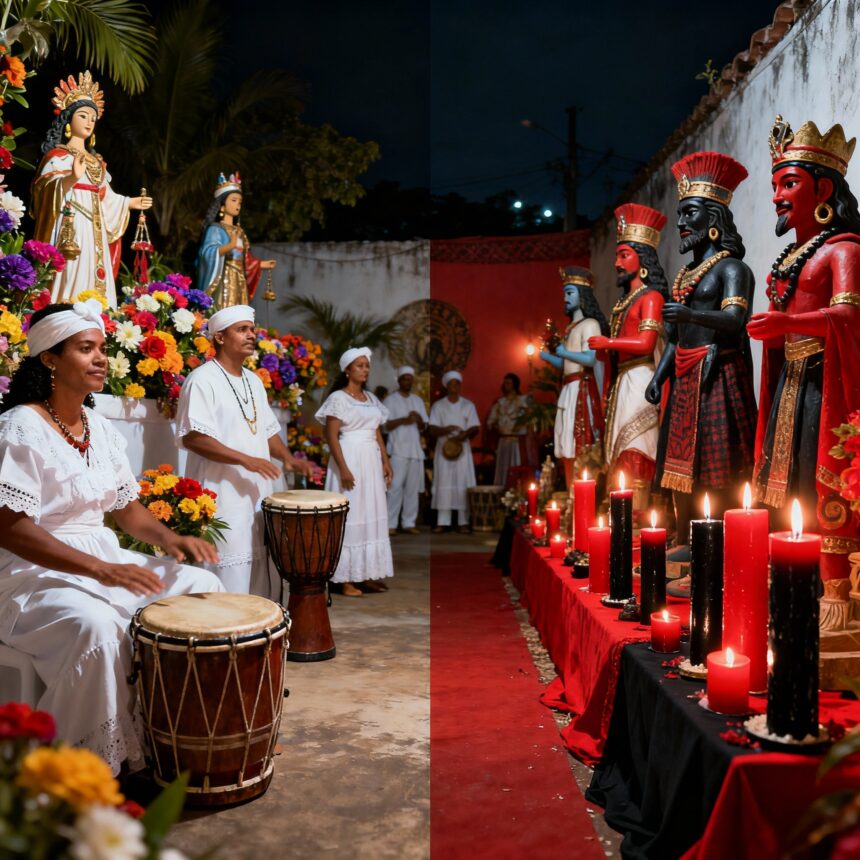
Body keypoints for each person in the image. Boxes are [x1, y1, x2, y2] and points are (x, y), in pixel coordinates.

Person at [0, 300, 223, 775]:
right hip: (28, 574)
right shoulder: (20, 427)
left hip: (102, 554)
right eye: (87, 348)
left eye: (103, 348)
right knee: (98, 628)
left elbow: (125, 510)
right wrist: (101, 569)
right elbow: (12, 529)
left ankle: (189, 733)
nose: (101, 357)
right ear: (50, 359)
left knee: (205, 592)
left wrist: (169, 539)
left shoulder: (99, 427)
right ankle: (85, 771)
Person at [748, 116, 860, 584]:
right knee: (784, 478)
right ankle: (787, 573)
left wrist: (787, 322)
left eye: (788, 183)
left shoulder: (844, 249)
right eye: (775, 185)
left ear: (823, 191)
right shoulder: (794, 257)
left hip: (821, 382)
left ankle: (827, 583)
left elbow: (849, 317)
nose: (777, 195)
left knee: (814, 481)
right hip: (790, 385)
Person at [645, 151, 758, 557]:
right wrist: (659, 378)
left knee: (717, 462)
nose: (681, 223)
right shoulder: (685, 274)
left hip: (717, 373)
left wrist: (691, 312)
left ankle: (719, 538)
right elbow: (675, 337)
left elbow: (735, 319)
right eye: (679, 214)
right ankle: (687, 538)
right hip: (685, 374)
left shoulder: (733, 270)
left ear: (713, 220)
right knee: (678, 465)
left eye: (689, 213)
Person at [176, 305, 315, 596]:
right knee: (227, 569)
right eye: (242, 330)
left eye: (251, 329)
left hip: (256, 491)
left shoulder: (254, 381)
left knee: (260, 568)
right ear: (220, 338)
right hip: (220, 492)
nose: (251, 335)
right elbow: (193, 438)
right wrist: (245, 460)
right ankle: (223, 634)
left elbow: (267, 432)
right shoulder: (202, 380)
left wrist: (290, 460)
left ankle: (256, 636)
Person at [31, 71, 152, 308]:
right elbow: (43, 190)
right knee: (70, 274)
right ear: (68, 120)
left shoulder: (97, 162)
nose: (88, 122)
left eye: (92, 118)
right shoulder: (58, 156)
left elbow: (105, 195)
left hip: (94, 229)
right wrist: (69, 179)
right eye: (83, 115)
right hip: (71, 227)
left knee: (94, 274)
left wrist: (129, 202)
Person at [588, 204, 667, 510]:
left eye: (624, 255)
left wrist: (609, 341)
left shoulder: (651, 297)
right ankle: (620, 508)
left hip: (641, 378)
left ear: (642, 259)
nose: (617, 263)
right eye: (617, 255)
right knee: (619, 445)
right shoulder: (625, 302)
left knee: (636, 442)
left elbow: (647, 343)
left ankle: (638, 511)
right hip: (624, 380)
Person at [316, 347, 394, 596]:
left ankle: (365, 574)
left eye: (366, 365)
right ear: (347, 370)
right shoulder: (339, 398)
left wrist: (385, 460)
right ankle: (343, 579)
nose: (365, 369)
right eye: (359, 365)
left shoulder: (370, 399)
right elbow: (331, 435)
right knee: (352, 514)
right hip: (350, 458)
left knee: (371, 512)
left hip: (370, 460)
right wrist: (344, 468)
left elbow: (376, 432)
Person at [539, 267, 607, 487]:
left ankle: (582, 491)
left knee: (580, 442)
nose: (565, 298)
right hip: (568, 388)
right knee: (565, 442)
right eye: (564, 293)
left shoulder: (590, 324)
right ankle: (571, 494)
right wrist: (548, 357)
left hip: (582, 388)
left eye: (569, 293)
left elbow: (589, 359)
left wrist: (563, 352)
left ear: (582, 293)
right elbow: (566, 364)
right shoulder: (570, 328)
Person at [196, 172, 276, 308]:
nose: (237, 204)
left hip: (239, 280)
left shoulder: (240, 231)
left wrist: (262, 264)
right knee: (225, 310)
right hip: (224, 278)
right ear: (222, 205)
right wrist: (229, 245)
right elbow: (206, 253)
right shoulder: (216, 229)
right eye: (233, 200)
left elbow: (246, 259)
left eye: (239, 201)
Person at [428, 370, 480, 533]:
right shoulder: (439, 406)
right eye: (451, 384)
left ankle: (463, 521)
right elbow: (432, 428)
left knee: (462, 482)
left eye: (457, 383)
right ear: (446, 386)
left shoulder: (468, 405)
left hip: (462, 449)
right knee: (444, 482)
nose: (454, 386)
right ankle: (443, 522)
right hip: (444, 449)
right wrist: (446, 430)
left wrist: (465, 434)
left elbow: (474, 426)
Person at [383, 366, 428, 535]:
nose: (407, 382)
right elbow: (385, 425)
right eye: (404, 379)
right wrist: (405, 419)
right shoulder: (390, 400)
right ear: (399, 380)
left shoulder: (417, 400)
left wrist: (418, 421)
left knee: (412, 489)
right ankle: (390, 524)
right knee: (395, 487)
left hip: (415, 450)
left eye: (410, 379)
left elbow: (424, 426)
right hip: (397, 450)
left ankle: (409, 523)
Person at [486, 373, 530, 486]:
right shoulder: (500, 403)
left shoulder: (522, 401)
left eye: (508, 383)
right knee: (503, 468)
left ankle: (517, 491)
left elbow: (530, 419)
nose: (506, 385)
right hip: (503, 441)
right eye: (504, 383)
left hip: (517, 442)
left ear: (515, 384)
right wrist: (497, 426)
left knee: (516, 466)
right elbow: (491, 421)